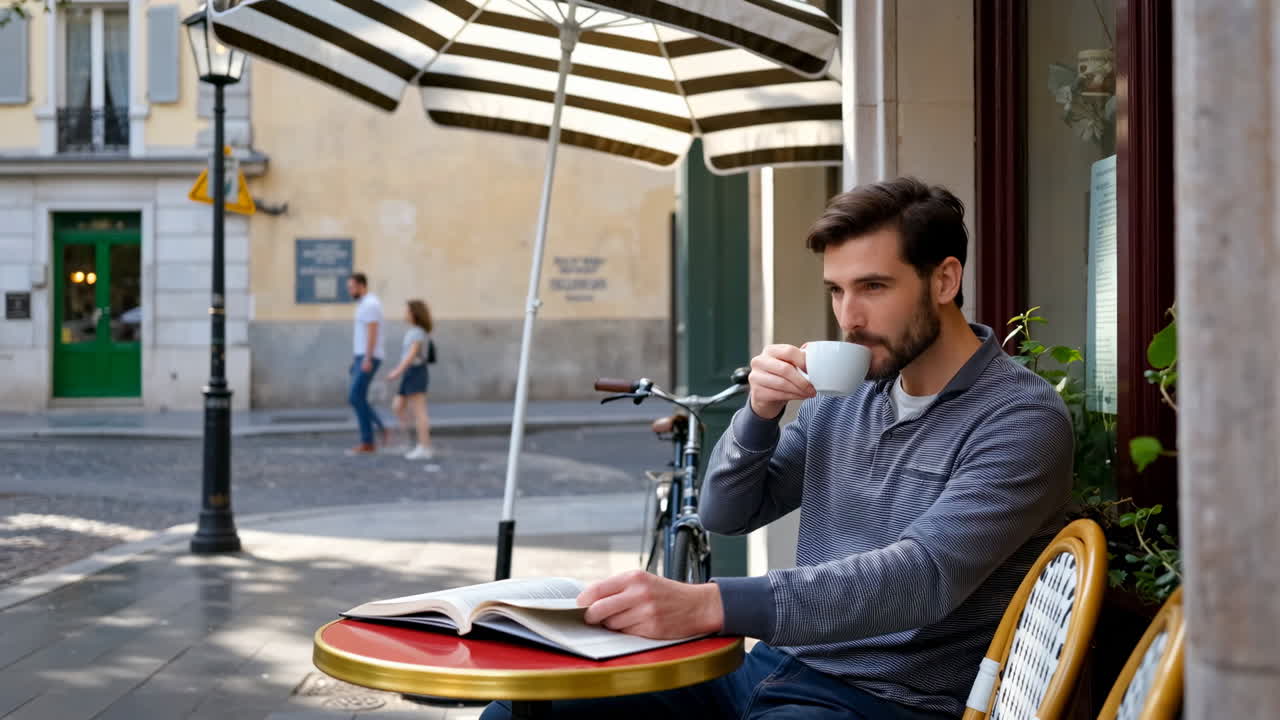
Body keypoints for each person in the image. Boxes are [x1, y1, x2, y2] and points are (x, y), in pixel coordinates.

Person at [482, 178, 1074, 719]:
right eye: (837, 291)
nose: (850, 317)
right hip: (766, 670)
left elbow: (922, 576)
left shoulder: (1020, 419)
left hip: (885, 700)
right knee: (528, 707)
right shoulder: (849, 392)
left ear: (945, 280)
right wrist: (759, 413)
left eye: (873, 287)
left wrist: (711, 604)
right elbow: (729, 514)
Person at [386, 299, 435, 460]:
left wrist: (397, 371)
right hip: (410, 372)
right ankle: (412, 438)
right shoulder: (415, 331)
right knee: (397, 406)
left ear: (414, 313)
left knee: (419, 411)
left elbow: (412, 355)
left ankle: (424, 446)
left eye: (407, 311)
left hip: (415, 371)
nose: (405, 314)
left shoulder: (417, 332)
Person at [346, 272, 387, 455]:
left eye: (352, 287)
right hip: (361, 356)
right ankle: (378, 430)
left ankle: (369, 440)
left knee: (355, 397)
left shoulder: (370, 304)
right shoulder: (364, 304)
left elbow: (373, 332)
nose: (350, 290)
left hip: (368, 357)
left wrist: (367, 358)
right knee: (358, 397)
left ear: (362, 285)